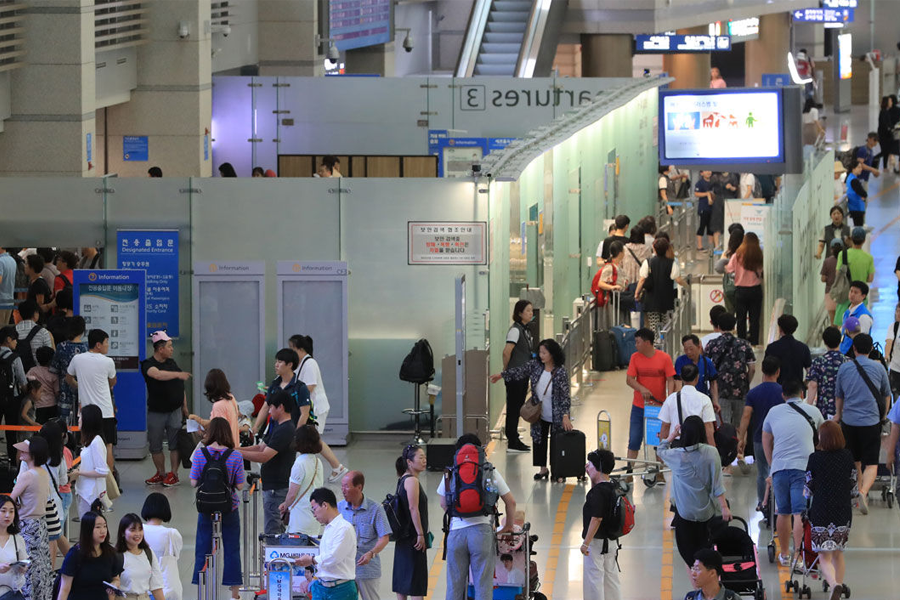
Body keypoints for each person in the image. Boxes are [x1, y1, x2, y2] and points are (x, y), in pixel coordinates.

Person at [437, 434, 515, 600]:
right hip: (482, 533)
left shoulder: (450, 472)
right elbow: (511, 502)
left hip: (456, 533)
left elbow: (443, 503)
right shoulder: (489, 471)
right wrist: (508, 526)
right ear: (481, 450)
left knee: (454, 586)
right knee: (483, 585)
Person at [491, 339, 573, 482]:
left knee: (557, 442)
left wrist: (565, 415)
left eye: (544, 353)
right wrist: (501, 375)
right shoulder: (535, 366)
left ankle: (558, 471)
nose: (541, 356)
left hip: (556, 413)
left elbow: (565, 396)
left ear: (552, 354)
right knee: (539, 441)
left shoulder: (560, 372)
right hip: (538, 412)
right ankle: (543, 469)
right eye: (540, 352)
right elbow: (519, 371)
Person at [762, 380, 825, 565]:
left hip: (780, 468)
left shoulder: (774, 412)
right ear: (803, 394)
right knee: (799, 512)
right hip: (804, 467)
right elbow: (823, 437)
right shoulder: (814, 411)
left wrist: (772, 464)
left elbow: (766, 438)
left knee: (783, 512)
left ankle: (784, 554)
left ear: (783, 395)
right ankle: (799, 554)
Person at [658, 416, 731, 568]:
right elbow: (718, 484)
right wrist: (724, 507)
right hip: (707, 514)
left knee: (690, 557)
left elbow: (661, 450)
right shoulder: (712, 453)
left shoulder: (676, 455)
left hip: (685, 514)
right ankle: (706, 582)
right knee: (705, 553)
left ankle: (698, 585)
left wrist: (672, 435)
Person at [834, 334, 891, 514]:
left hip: (849, 422)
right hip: (871, 421)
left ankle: (857, 494)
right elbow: (886, 395)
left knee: (855, 461)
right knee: (872, 463)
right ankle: (863, 491)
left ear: (854, 349)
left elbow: (839, 396)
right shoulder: (879, 368)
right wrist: (883, 416)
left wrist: (838, 414)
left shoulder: (844, 369)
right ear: (871, 350)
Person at [189, 417, 244, 599]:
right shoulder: (235, 455)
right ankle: (234, 592)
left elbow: (193, 482)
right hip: (230, 507)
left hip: (206, 508)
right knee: (232, 548)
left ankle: (201, 587)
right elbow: (240, 486)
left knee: (202, 546)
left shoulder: (200, 453)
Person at [805, 421, 856, 600]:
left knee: (823, 555)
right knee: (837, 553)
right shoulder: (848, 456)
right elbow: (853, 485)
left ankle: (834, 584)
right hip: (842, 511)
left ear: (822, 438)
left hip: (821, 510)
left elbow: (808, 488)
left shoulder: (814, 458)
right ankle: (838, 586)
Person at [288, 335, 348, 481]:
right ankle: (336, 466)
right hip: (311, 407)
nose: (291, 352)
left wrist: (289, 393)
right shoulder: (302, 363)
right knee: (312, 438)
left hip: (316, 408)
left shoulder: (310, 363)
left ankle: (337, 467)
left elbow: (310, 385)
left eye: (292, 348)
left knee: (313, 439)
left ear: (300, 349)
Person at [239, 390, 296, 535]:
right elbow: (260, 447)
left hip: (277, 488)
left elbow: (264, 456)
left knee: (273, 529)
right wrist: (235, 448)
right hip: (270, 485)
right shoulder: (276, 425)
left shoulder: (286, 430)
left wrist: (235, 453)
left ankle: (274, 557)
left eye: (271, 407)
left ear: (281, 407)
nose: (269, 410)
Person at [621, 328, 675, 472]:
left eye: (638, 342)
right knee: (634, 439)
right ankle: (629, 471)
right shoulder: (635, 358)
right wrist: (641, 388)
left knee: (659, 440)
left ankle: (659, 471)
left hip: (658, 408)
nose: (635, 345)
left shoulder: (664, 358)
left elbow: (671, 380)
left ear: (647, 343)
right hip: (639, 406)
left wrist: (669, 399)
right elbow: (629, 379)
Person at [141, 331, 190, 487]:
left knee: (175, 444)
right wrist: (178, 374)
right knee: (155, 445)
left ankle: (174, 474)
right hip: (156, 412)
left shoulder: (172, 363)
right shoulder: (148, 364)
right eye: (169, 346)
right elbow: (158, 375)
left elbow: (181, 387)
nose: (172, 349)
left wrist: (185, 406)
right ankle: (161, 473)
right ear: (160, 348)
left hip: (175, 410)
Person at [292, 488, 358, 600]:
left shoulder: (344, 528)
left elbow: (333, 557)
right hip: (321, 587)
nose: (314, 515)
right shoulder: (328, 529)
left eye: (314, 509)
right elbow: (325, 562)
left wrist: (312, 560)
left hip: (341, 589)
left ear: (324, 505)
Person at [66, 329, 117, 470]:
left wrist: (79, 385)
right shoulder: (108, 362)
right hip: (105, 411)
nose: (108, 345)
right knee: (107, 446)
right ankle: (108, 480)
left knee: (86, 444)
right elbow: (112, 382)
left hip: (86, 412)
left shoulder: (77, 359)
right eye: (107, 342)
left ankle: (88, 473)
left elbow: (68, 378)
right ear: (98, 344)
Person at [738, 356, 784, 510]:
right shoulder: (783, 392)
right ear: (778, 372)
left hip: (759, 439)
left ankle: (761, 503)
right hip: (779, 439)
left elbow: (746, 415)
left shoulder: (753, 393)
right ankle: (777, 503)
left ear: (763, 371)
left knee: (762, 472)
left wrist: (741, 438)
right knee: (777, 471)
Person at [337, 471, 391, 600]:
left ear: (359, 487)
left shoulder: (376, 509)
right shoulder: (339, 508)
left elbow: (385, 537)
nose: (343, 490)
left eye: (346, 486)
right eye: (342, 486)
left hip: (367, 570)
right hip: (345, 569)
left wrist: (371, 553)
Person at [10, 436, 52, 600]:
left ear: (32, 453)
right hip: (40, 525)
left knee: (25, 566)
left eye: (24, 450)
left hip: (26, 525)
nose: (20, 452)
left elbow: (11, 498)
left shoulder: (27, 475)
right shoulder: (43, 473)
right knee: (40, 565)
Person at [580, 449, 620, 600]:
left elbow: (596, 518)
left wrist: (586, 543)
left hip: (596, 544)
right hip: (611, 542)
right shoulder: (614, 487)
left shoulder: (598, 492)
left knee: (593, 580)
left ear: (599, 468)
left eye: (590, 464)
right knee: (611, 579)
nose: (586, 466)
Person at [57, 511, 124, 600]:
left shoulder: (110, 553)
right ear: (87, 530)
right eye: (98, 527)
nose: (103, 531)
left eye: (105, 526)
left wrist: (114, 584)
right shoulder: (74, 554)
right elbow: (64, 590)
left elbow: (116, 578)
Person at [705, 313, 756, 430]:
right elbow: (752, 368)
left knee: (724, 426)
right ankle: (739, 446)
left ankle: (726, 447)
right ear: (734, 326)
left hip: (720, 390)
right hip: (741, 390)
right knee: (739, 425)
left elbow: (705, 365)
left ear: (718, 326)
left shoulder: (712, 344)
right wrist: (746, 382)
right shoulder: (744, 344)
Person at [635, 237, 689, 342]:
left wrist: (637, 293)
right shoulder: (672, 263)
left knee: (654, 327)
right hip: (666, 300)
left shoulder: (648, 262)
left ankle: (656, 347)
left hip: (651, 301)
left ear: (654, 249)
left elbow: (642, 280)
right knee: (666, 326)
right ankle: (664, 345)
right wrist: (687, 286)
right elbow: (677, 279)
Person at [392, 445, 428, 600]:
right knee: (416, 583)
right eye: (420, 457)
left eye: (424, 457)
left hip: (403, 538)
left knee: (403, 581)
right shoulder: (412, 481)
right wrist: (420, 533)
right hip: (413, 537)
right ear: (409, 462)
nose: (424, 460)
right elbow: (414, 508)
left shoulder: (402, 479)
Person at [279, 425, 325, 537]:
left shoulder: (299, 463)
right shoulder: (318, 462)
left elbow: (292, 494)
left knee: (297, 550)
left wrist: (285, 505)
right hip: (314, 515)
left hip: (299, 518)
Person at [501, 300, 534, 453]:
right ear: (520, 313)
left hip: (522, 374)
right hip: (515, 375)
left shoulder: (525, 330)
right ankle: (512, 440)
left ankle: (514, 436)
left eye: (531, 310)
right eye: (528, 310)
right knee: (513, 407)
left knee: (517, 406)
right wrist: (507, 369)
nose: (531, 313)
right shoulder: (515, 331)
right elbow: (507, 351)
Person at [659, 363, 716, 444]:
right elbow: (709, 429)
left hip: (676, 446)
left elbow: (665, 426)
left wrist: (662, 450)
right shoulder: (705, 400)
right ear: (697, 378)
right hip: (697, 446)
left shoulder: (671, 399)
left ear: (681, 378)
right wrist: (713, 452)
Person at [141, 493, 184, 600]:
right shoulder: (172, 534)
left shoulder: (138, 530)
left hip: (143, 586)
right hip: (165, 587)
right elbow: (176, 554)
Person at [189, 369, 241, 455]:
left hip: (221, 452)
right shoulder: (231, 398)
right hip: (233, 447)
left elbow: (219, 431)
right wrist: (201, 421)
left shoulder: (219, 405)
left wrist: (204, 434)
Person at [115, 513, 164, 600]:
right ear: (123, 532)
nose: (137, 534)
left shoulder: (148, 553)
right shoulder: (116, 555)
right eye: (132, 530)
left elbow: (156, 586)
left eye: (140, 529)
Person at [726, 232, 763, 345]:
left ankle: (741, 342)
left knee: (741, 319)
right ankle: (754, 342)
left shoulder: (737, 254)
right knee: (754, 319)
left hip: (741, 290)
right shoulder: (759, 254)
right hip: (755, 290)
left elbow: (729, 269)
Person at [73, 405, 110, 516]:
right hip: (85, 492)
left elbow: (102, 471)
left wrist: (79, 473)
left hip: (91, 494)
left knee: (90, 527)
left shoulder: (96, 442)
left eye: (81, 417)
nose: (78, 420)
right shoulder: (90, 441)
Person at [833, 228, 875, 325]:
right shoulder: (868, 258)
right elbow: (870, 278)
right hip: (860, 296)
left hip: (845, 294)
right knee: (859, 325)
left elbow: (837, 274)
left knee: (842, 325)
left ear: (851, 238)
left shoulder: (842, 254)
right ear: (864, 240)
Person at [49, 316, 87, 422]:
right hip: (83, 392)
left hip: (65, 391)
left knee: (65, 424)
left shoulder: (61, 346)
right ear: (83, 330)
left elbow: (54, 369)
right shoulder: (87, 347)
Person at [806, 326, 846, 420]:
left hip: (824, 410)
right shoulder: (848, 361)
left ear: (824, 342)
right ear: (840, 340)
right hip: (845, 410)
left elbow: (813, 385)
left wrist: (808, 406)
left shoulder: (818, 361)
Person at [0, 326, 26, 458]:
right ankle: (11, 460)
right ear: (8, 339)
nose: (16, 342)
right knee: (11, 432)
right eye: (15, 339)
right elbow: (23, 382)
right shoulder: (15, 358)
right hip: (11, 399)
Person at [764, 314, 811, 386]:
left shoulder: (772, 348)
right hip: (796, 390)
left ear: (780, 329)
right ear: (795, 329)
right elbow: (809, 371)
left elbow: (766, 371)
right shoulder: (803, 348)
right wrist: (804, 384)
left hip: (778, 388)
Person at [674, 335, 719, 409]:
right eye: (686, 349)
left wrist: (715, 401)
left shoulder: (707, 362)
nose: (688, 352)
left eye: (691, 349)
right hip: (685, 401)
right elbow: (678, 382)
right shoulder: (680, 361)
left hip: (702, 400)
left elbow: (713, 382)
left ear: (698, 347)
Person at [0, 495, 28, 600]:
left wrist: (22, 568)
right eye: (3, 511)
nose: (8, 515)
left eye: (11, 511)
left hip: (11, 593)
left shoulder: (18, 539)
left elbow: (24, 562)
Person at [838, 281, 874, 354]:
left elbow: (862, 341)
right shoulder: (846, 313)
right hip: (843, 352)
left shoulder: (864, 316)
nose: (852, 294)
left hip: (855, 355)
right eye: (851, 291)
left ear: (863, 296)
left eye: (856, 292)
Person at [28, 347, 58, 423]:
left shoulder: (32, 370)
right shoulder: (53, 373)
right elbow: (57, 391)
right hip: (52, 405)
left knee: (39, 427)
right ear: (51, 359)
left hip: (37, 405)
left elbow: (27, 382)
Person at [821, 239, 844, 324]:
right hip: (842, 293)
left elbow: (823, 279)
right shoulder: (845, 261)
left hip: (830, 293)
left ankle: (834, 336)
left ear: (831, 249)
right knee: (841, 320)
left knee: (832, 320)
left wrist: (830, 279)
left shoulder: (827, 261)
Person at [24, 254, 52, 322]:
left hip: (39, 320)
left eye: (27, 264)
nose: (25, 266)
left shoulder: (39, 283)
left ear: (32, 267)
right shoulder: (33, 281)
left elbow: (40, 304)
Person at [694, 171, 715, 251]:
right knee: (702, 226)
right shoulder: (700, 183)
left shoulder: (713, 182)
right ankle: (699, 246)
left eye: (709, 170)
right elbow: (696, 193)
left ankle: (710, 247)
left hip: (712, 208)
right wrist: (706, 194)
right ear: (701, 173)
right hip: (703, 208)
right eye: (706, 171)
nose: (708, 172)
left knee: (711, 228)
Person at [844, 161, 869, 226]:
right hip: (857, 207)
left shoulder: (849, 177)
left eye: (861, 167)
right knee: (859, 226)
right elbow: (863, 193)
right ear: (853, 168)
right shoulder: (854, 180)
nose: (861, 169)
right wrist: (864, 195)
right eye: (859, 167)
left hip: (853, 206)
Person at [885, 303, 900, 399]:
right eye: (897, 311)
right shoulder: (893, 327)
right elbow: (889, 342)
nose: (898, 314)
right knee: (896, 399)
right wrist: (886, 356)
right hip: (895, 369)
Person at [0, 248, 17, 325]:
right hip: (10, 300)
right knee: (4, 330)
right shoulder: (12, 260)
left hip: (1, 300)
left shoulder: (0, 261)